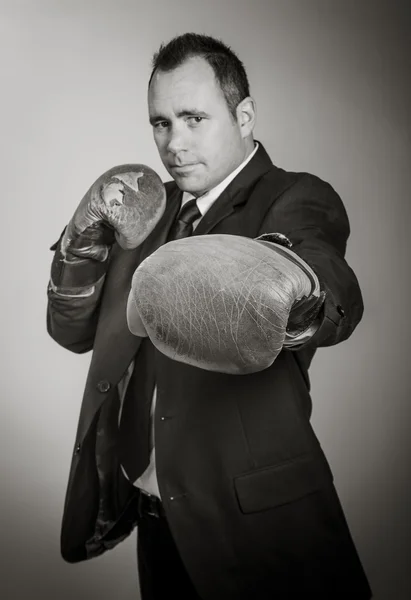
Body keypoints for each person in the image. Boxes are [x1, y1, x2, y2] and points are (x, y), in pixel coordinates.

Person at [47, 33, 372, 600]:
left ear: (243, 115)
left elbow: (331, 288)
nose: (175, 142)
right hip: (157, 510)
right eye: (161, 122)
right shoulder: (145, 207)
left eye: (194, 118)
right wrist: (81, 242)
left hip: (254, 520)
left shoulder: (294, 198)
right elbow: (72, 332)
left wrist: (295, 289)